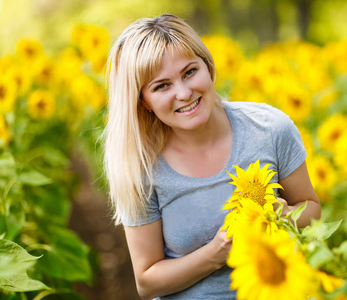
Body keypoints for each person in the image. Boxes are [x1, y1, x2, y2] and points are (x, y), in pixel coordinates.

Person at [103, 14, 321, 300]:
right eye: (162, 86)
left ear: (208, 66)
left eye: (190, 72)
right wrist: (217, 253)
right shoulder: (141, 165)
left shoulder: (269, 128)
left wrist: (279, 217)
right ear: (143, 101)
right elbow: (147, 281)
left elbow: (312, 209)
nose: (184, 93)